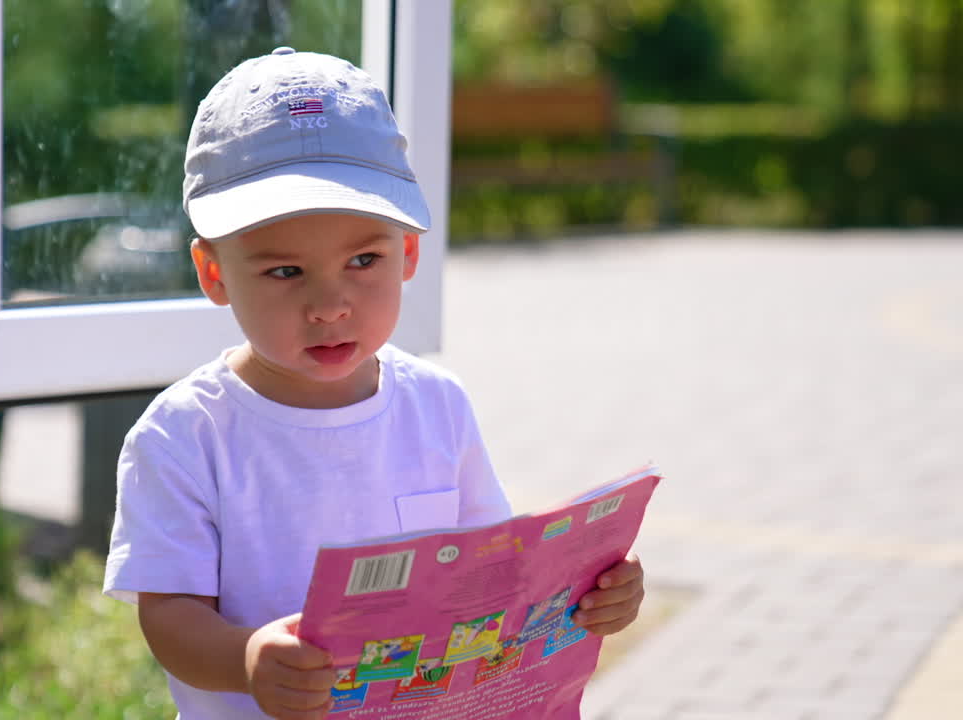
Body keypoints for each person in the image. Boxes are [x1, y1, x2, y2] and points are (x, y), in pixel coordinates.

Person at [103, 47, 646, 720]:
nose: (330, 305)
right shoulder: (183, 434)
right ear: (214, 273)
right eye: (285, 272)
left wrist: (589, 594)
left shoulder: (437, 405)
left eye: (363, 259)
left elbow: (494, 576)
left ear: (408, 253)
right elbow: (170, 617)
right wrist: (245, 659)